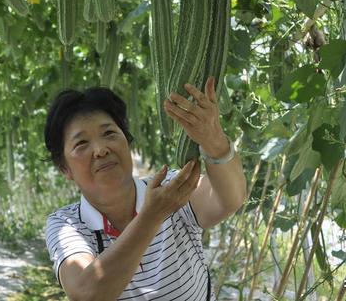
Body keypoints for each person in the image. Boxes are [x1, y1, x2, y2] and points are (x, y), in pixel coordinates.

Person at [43, 76, 247, 300]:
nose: (101, 150)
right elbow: (87, 293)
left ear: (127, 142)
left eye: (109, 133)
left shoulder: (171, 189)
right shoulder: (65, 224)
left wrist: (214, 140)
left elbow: (229, 199)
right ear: (64, 168)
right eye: (81, 143)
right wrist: (152, 215)